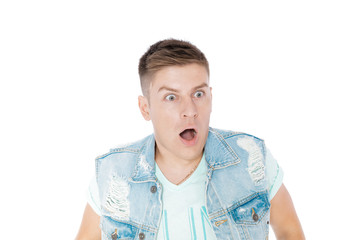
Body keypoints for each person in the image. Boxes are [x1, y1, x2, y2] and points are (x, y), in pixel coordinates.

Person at [75, 39, 305, 240]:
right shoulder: (113, 173)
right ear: (145, 108)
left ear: (211, 98)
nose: (189, 110)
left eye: (198, 94)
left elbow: (289, 232)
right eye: (171, 97)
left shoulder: (251, 157)